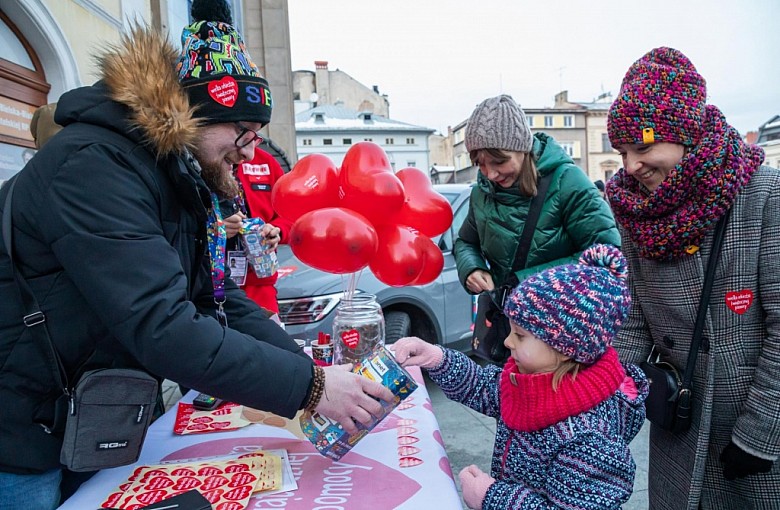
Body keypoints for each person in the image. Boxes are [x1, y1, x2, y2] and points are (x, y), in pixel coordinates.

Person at [0, 1, 393, 508]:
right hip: (19, 431)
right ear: (195, 116)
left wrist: (292, 360)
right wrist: (311, 387)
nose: (251, 153)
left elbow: (213, 299)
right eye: (244, 132)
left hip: (80, 416)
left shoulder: (166, 173)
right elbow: (164, 325)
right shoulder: (94, 166)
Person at [606, 47, 779, 508]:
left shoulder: (765, 196)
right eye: (621, 152)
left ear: (688, 136)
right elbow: (634, 322)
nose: (629, 167)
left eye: (641, 147)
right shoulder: (632, 211)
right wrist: (602, 408)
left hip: (753, 431)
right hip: (676, 427)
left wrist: (761, 433)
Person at [394, 244, 648, 509]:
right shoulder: (535, 379)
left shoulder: (590, 442)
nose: (507, 341)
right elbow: (485, 387)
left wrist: (493, 498)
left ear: (565, 349)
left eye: (520, 335)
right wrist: (437, 359)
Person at [454, 94, 620, 315]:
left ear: (523, 149)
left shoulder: (568, 182)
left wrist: (523, 282)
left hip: (563, 325)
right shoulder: (481, 193)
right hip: (509, 325)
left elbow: (607, 256)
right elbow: (465, 242)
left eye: (499, 161)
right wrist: (472, 268)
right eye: (480, 164)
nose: (490, 174)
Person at [225, 146, 293, 314]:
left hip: (260, 283)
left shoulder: (266, 162)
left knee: (269, 338)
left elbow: (291, 214)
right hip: (211, 286)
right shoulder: (204, 158)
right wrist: (215, 228)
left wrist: (277, 230)